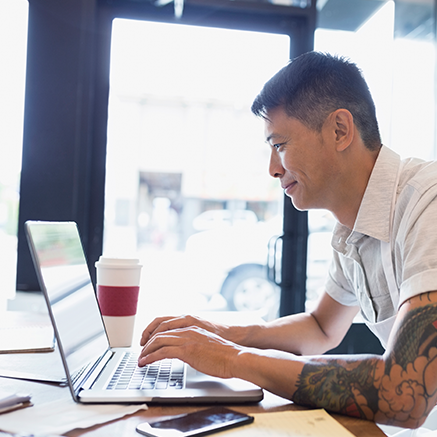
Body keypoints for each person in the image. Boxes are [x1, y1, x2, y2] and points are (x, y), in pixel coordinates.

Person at [137, 51, 437, 431]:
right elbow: (320, 328)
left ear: (340, 130)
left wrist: (233, 358)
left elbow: (403, 395)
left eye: (279, 144)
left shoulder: (428, 204)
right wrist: (218, 334)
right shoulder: (351, 229)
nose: (273, 168)